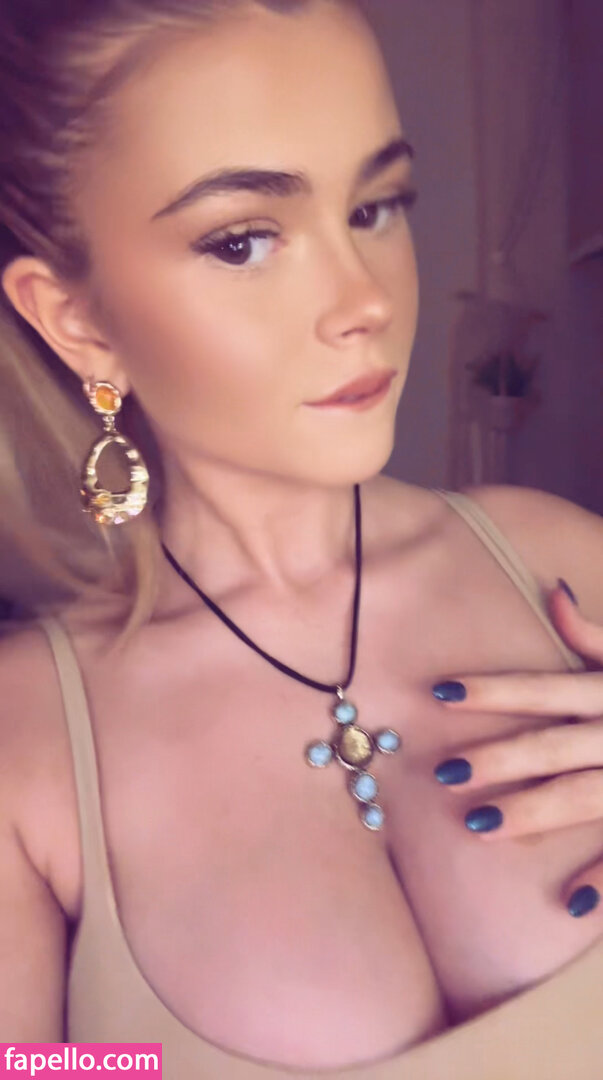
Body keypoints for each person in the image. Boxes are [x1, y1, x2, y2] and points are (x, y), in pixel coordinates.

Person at [0, 0, 601, 1075]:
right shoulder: (28, 745)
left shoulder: (559, 561)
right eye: (243, 240)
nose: (363, 300)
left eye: (375, 207)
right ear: (75, 320)